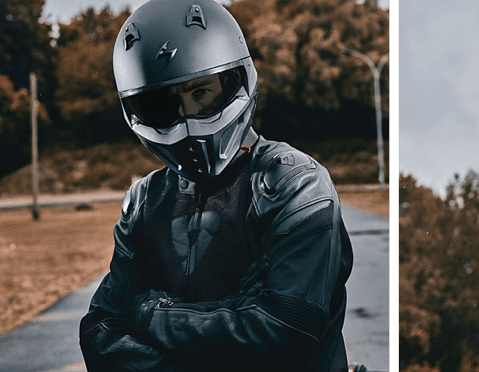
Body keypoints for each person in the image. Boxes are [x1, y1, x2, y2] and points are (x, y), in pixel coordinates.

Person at [78, 0, 354, 370]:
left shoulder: (295, 185)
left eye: (201, 93)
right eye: (164, 105)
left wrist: (151, 315)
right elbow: (100, 330)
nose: (188, 118)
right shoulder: (145, 201)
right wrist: (235, 316)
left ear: (236, 80)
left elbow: (287, 329)